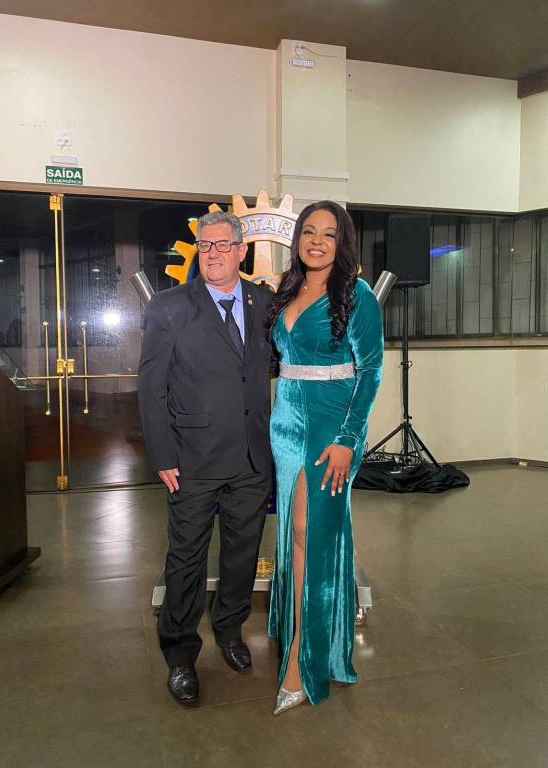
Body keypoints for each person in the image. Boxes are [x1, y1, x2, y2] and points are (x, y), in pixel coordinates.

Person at [138, 210, 273, 708]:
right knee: (187, 559)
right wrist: (162, 454)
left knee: (242, 553)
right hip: (191, 460)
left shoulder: (263, 303)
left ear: (242, 251)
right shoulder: (170, 307)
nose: (212, 253)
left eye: (222, 245)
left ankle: (230, 631)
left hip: (251, 458)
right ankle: (180, 654)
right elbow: (151, 387)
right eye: (205, 245)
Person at [267, 200, 383, 713]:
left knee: (313, 534)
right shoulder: (288, 288)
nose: (316, 241)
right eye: (308, 231)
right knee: (295, 534)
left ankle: (304, 656)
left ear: (343, 242)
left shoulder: (357, 295)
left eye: (328, 234)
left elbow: (371, 373)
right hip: (286, 421)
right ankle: (305, 634)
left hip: (332, 426)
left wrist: (348, 439)